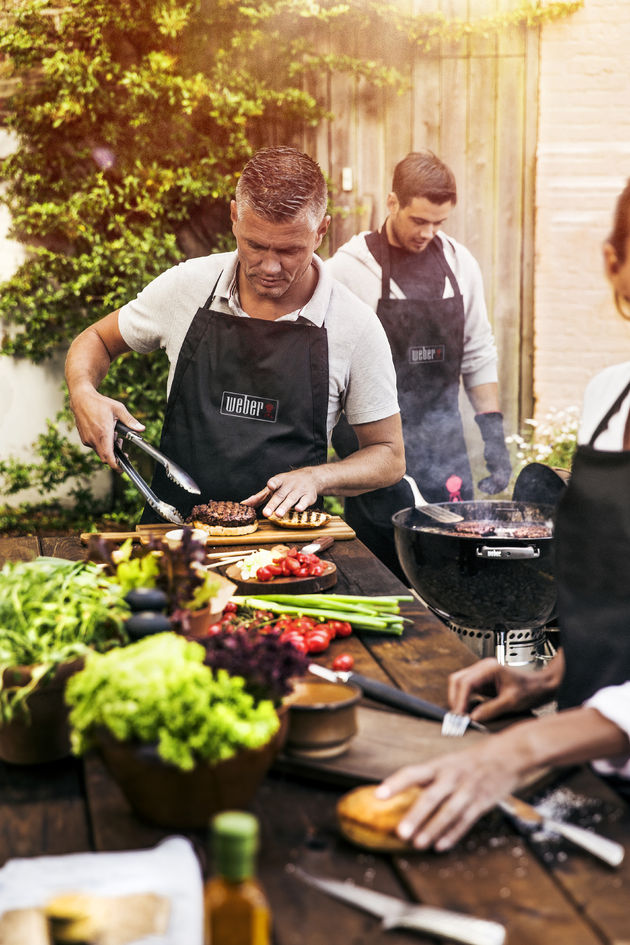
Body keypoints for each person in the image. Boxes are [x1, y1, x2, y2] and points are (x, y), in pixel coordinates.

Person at [374, 178, 630, 851]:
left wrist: (519, 748)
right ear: (614, 262)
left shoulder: (460, 265)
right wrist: (547, 676)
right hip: (588, 779)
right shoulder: (611, 397)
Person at [65, 147, 405, 522]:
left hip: (285, 555)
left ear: (321, 230)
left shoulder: (354, 325)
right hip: (174, 538)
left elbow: (388, 454)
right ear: (234, 218)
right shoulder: (188, 286)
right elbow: (97, 339)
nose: (270, 266)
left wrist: (319, 476)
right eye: (255, 245)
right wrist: (83, 391)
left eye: (290, 250)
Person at [327, 150, 511, 579]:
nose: (429, 233)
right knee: (383, 566)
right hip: (373, 448)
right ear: (392, 203)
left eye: (439, 223)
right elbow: (325, 363)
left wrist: (493, 433)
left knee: (454, 565)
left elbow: (478, 350)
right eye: (419, 220)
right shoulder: (351, 269)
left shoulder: (460, 264)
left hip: (444, 442)